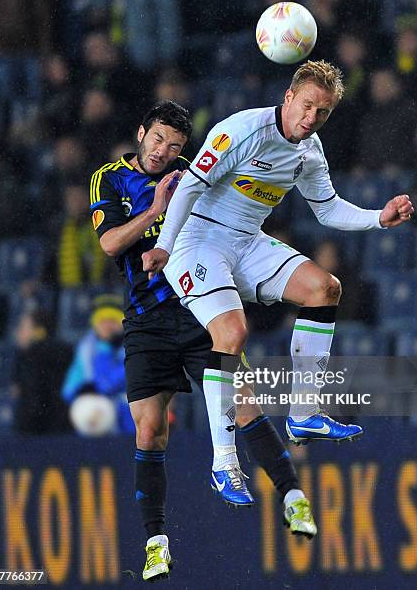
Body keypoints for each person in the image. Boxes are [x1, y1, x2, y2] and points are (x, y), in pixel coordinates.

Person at [143, 60, 414, 486]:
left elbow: (326, 208)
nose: (311, 119)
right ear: (288, 97)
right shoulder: (243, 130)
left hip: (248, 240)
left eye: (322, 112)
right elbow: (191, 186)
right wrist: (162, 245)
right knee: (231, 335)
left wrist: (378, 217)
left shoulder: (310, 150)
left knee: (325, 288)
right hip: (197, 241)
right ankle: (224, 463)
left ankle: (304, 415)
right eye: (306, 106)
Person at [91, 100, 316, 582]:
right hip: (146, 321)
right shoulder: (110, 178)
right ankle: (155, 542)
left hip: (198, 307)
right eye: (157, 139)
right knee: (150, 430)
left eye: (173, 145)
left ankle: (293, 497)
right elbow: (110, 244)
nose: (162, 151)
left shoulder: (197, 174)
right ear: (140, 132)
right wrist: (155, 208)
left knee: (244, 402)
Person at [62, 294, 134, 434]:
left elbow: (108, 383)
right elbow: (68, 390)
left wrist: (106, 349)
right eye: (102, 321)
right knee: (87, 407)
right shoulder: (86, 349)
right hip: (95, 417)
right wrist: (80, 390)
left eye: (112, 320)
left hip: (128, 415)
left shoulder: (135, 346)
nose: (107, 326)